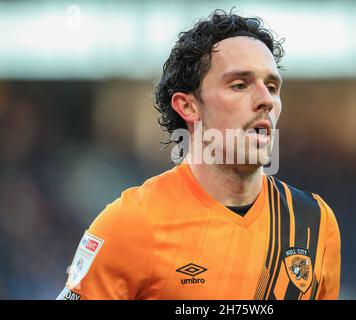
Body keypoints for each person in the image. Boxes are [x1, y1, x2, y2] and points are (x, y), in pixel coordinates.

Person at [57, 9, 340, 300]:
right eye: (240, 85)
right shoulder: (129, 225)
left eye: (271, 86)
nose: (266, 100)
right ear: (188, 107)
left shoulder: (315, 222)